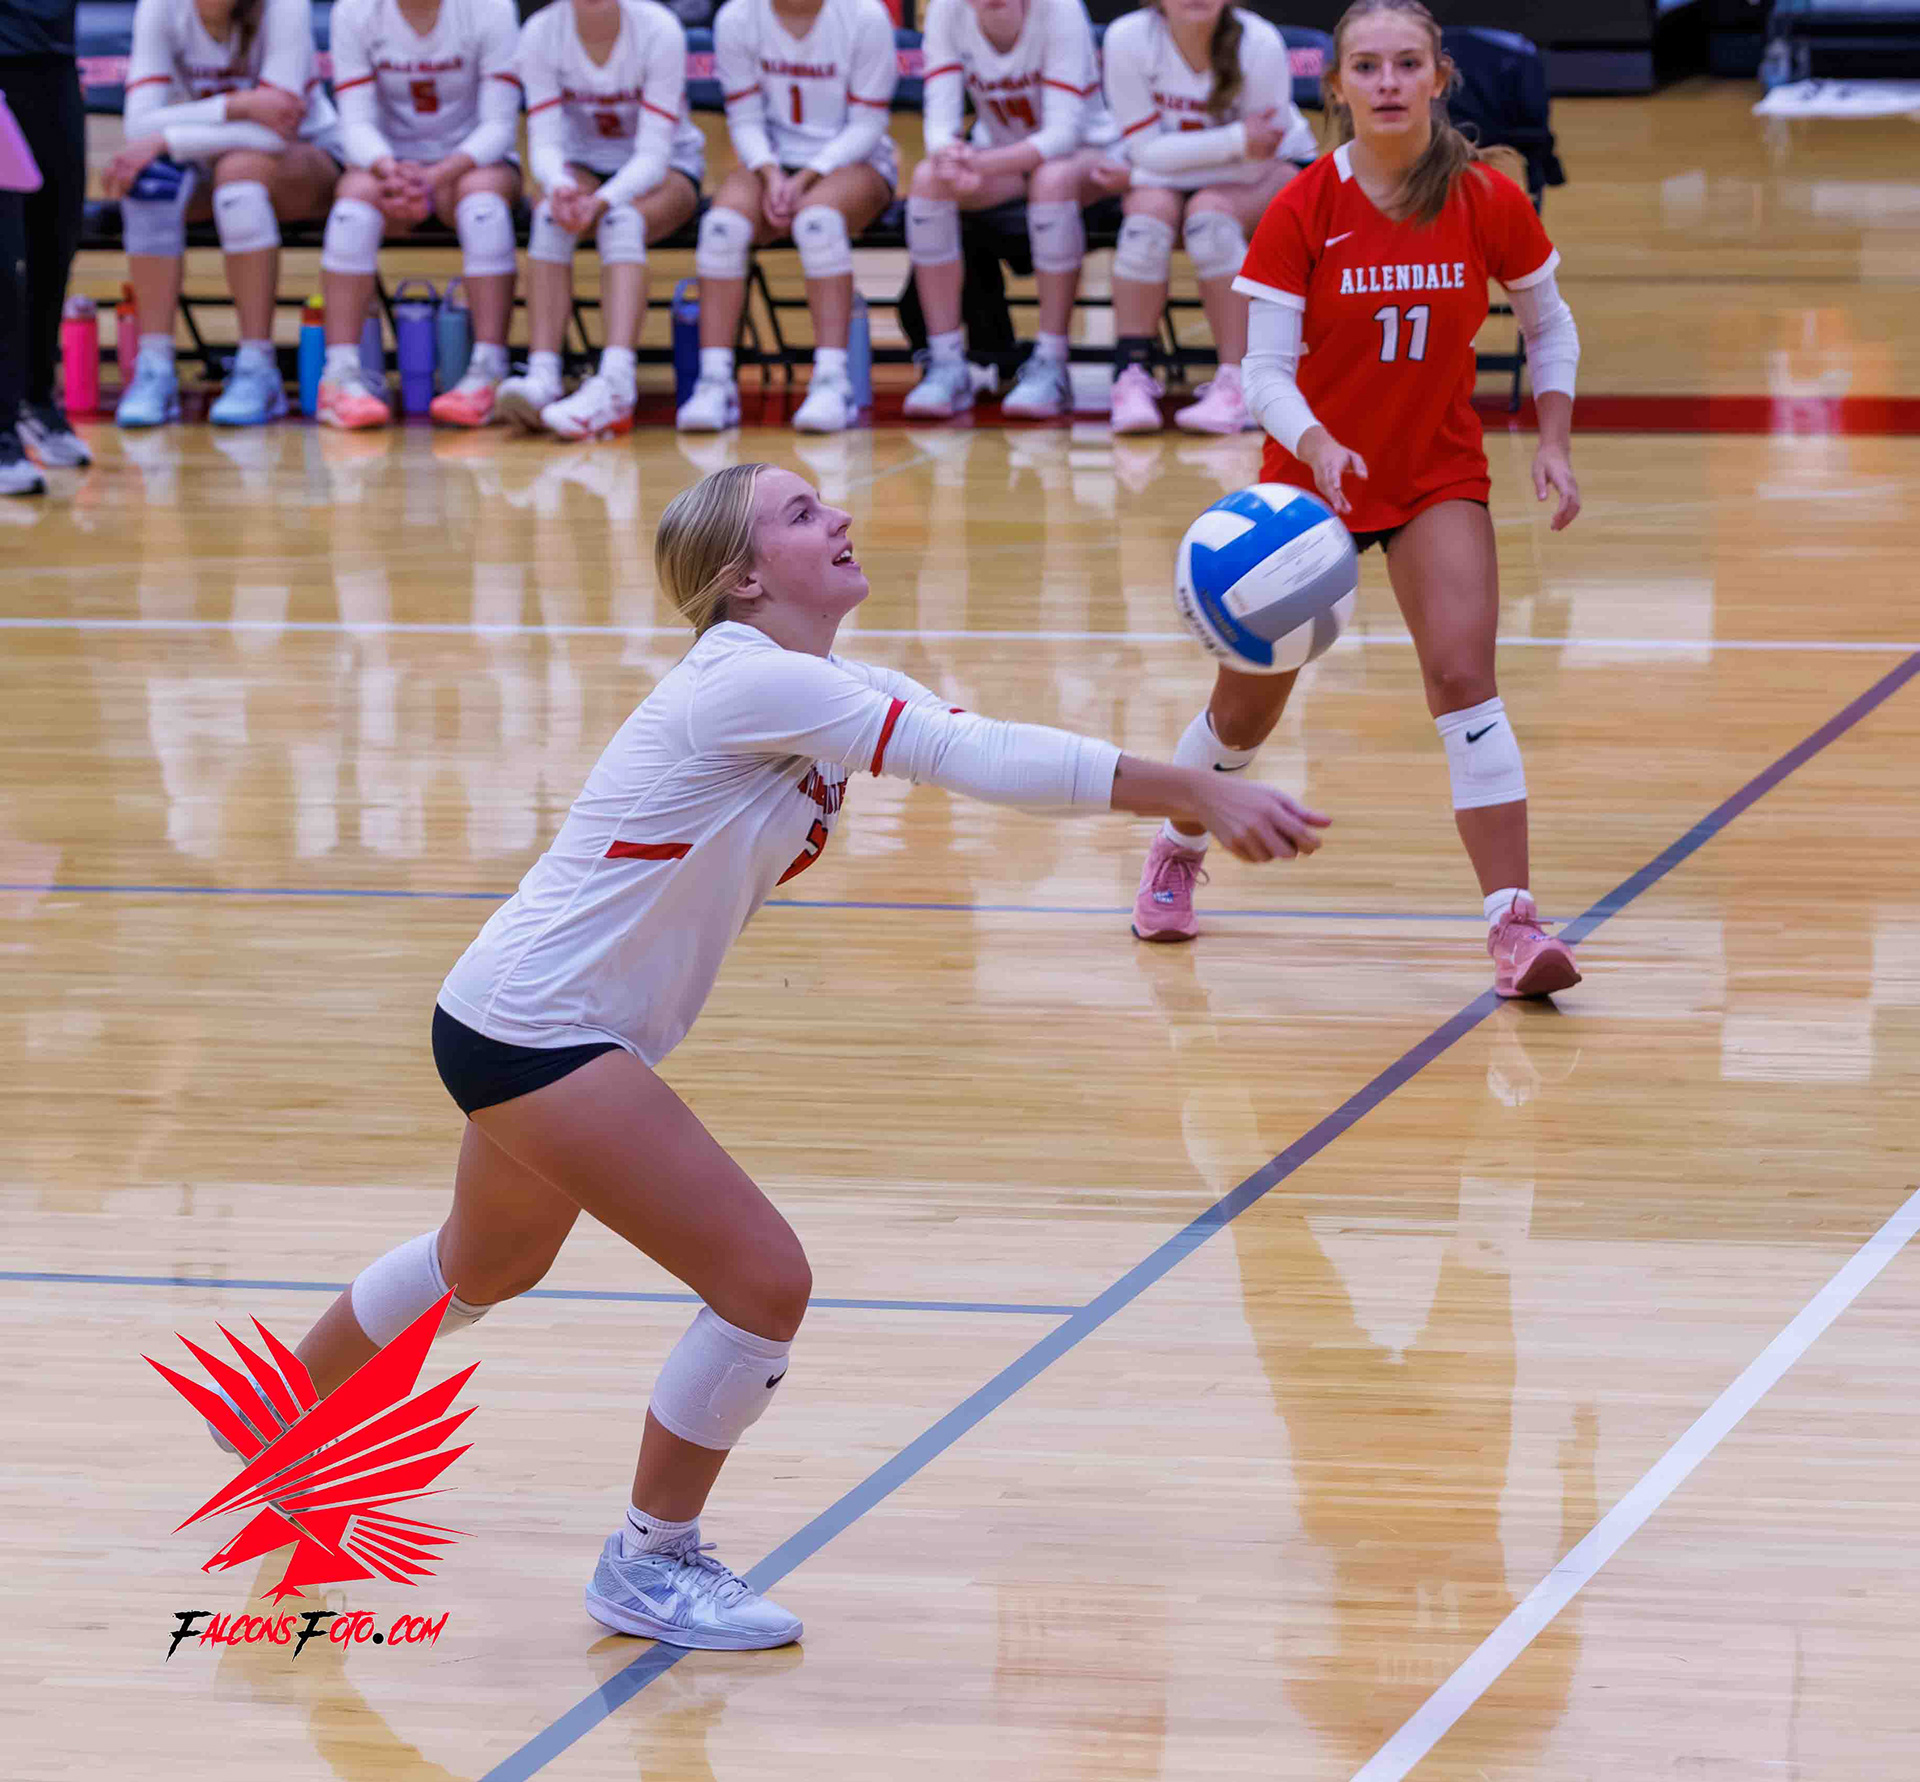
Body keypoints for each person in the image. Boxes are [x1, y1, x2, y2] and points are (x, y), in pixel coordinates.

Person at [273, 461, 1329, 1649]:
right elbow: (972, 756)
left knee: (483, 1265)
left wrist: (1199, 768)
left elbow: (988, 748)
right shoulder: (741, 681)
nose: (839, 518)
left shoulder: (825, 685)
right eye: (801, 513)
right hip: (540, 1028)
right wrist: (1193, 792)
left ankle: (283, 1429)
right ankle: (649, 1563)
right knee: (763, 1281)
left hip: (522, 1013)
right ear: (742, 577)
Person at [1131, 0, 1583, 1002]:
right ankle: (1176, 847)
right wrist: (1319, 443)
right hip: (1307, 488)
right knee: (1243, 714)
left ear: (1438, 78)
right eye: (1367, 66)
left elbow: (1549, 325)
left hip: (1433, 474)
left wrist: (1552, 438)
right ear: (1335, 86)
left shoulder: (1485, 197)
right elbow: (1260, 373)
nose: (1387, 82)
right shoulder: (1305, 205)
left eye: (1407, 64)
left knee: (1464, 681)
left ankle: (1514, 925)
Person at [103, 0, 345, 427]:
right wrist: (236, 106)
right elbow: (137, 125)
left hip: (305, 158)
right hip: (204, 158)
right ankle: (155, 366)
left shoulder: (285, 7)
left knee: (238, 176)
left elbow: (275, 132)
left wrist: (166, 138)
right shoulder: (159, 8)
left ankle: (258, 367)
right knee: (146, 185)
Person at [676, 0, 898, 435]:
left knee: (818, 224)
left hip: (856, 162)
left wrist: (808, 177)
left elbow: (868, 126)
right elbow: (744, 119)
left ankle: (833, 383)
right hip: (772, 164)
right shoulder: (737, 18)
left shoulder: (864, 16)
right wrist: (771, 173)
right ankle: (715, 382)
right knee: (721, 229)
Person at [1099, 0, 1315, 435]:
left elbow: (1256, 163)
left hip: (1271, 172)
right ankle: (1132, 375)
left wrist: (1140, 174)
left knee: (1208, 219)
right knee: (1146, 220)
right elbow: (1145, 149)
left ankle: (1242, 384)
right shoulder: (1127, 38)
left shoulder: (1260, 42)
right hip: (1179, 175)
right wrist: (1235, 140)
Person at [491, 0, 703, 439]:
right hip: (582, 165)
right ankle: (543, 376)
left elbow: (653, 155)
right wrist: (558, 186)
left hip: (669, 168)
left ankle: (617, 385)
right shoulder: (540, 33)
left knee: (621, 222)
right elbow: (544, 144)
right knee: (549, 217)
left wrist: (603, 201)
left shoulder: (659, 29)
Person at [315, 0, 524, 430]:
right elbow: (353, 123)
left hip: (470, 162)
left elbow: (501, 126)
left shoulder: (491, 8)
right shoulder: (354, 11)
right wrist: (389, 168)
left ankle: (488, 370)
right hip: (388, 165)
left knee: (482, 207)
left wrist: (437, 175)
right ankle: (339, 377)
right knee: (352, 207)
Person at [901, 0, 1113, 421]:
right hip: (1000, 157)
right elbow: (939, 117)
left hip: (1085, 153)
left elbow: (1063, 134)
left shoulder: (1060, 10)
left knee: (1051, 180)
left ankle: (1051, 363)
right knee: (928, 179)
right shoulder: (946, 10)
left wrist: (981, 164)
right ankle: (947, 364)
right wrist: (948, 156)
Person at [0, 0, 91, 487]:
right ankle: (1, 429)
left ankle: (35, 399)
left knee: (55, 239)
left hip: (54, 64)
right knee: (4, 255)